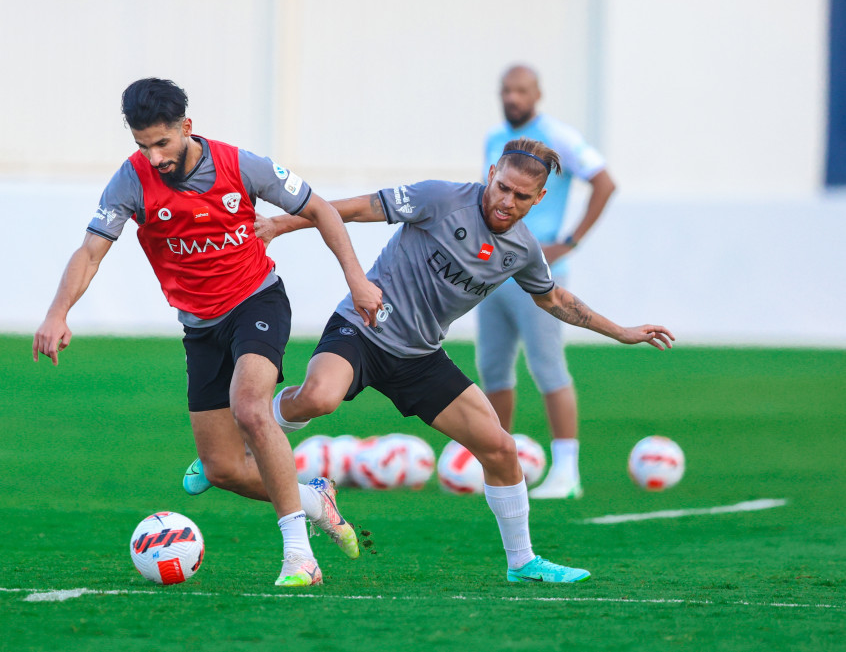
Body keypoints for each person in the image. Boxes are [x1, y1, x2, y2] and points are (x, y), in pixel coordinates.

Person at [185, 137, 674, 584]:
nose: (507, 201)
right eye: (502, 187)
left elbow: (555, 300)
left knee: (501, 449)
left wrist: (623, 332)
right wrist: (280, 223)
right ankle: (240, 436)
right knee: (319, 397)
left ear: (539, 199)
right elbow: (353, 209)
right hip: (363, 327)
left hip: (420, 357)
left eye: (521, 197)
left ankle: (523, 562)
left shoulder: (522, 250)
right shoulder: (440, 198)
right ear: (490, 173)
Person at [33, 78, 383, 587]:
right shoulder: (131, 181)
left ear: (186, 128)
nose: (153, 157)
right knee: (221, 469)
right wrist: (57, 312)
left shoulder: (241, 165)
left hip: (256, 302)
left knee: (249, 407)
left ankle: (299, 557)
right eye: (142, 146)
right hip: (199, 327)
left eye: (162, 143)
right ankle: (314, 498)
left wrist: (356, 277)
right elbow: (91, 250)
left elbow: (321, 209)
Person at [476, 64, 617, 500]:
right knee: (493, 368)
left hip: (538, 272)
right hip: (491, 271)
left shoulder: (559, 137)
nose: (512, 97)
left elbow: (605, 182)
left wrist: (569, 242)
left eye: (520, 90)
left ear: (537, 93)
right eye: (506, 90)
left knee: (547, 367)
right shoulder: (493, 140)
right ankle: (498, 468)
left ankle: (567, 471)